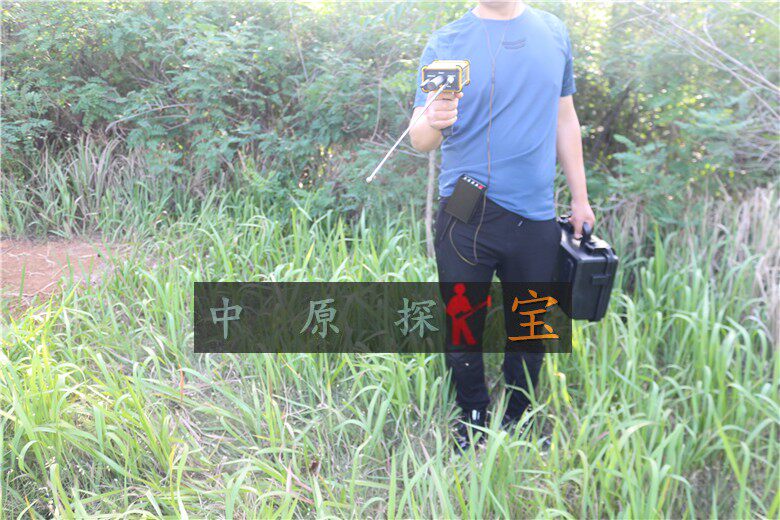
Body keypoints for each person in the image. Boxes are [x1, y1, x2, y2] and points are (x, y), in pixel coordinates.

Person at [408, 0, 595, 451]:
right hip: (465, 211)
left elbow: (564, 117)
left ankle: (520, 417)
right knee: (462, 323)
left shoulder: (553, 32)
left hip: (535, 216)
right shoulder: (447, 41)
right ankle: (472, 418)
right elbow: (419, 138)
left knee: (530, 327)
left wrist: (580, 197)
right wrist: (434, 120)